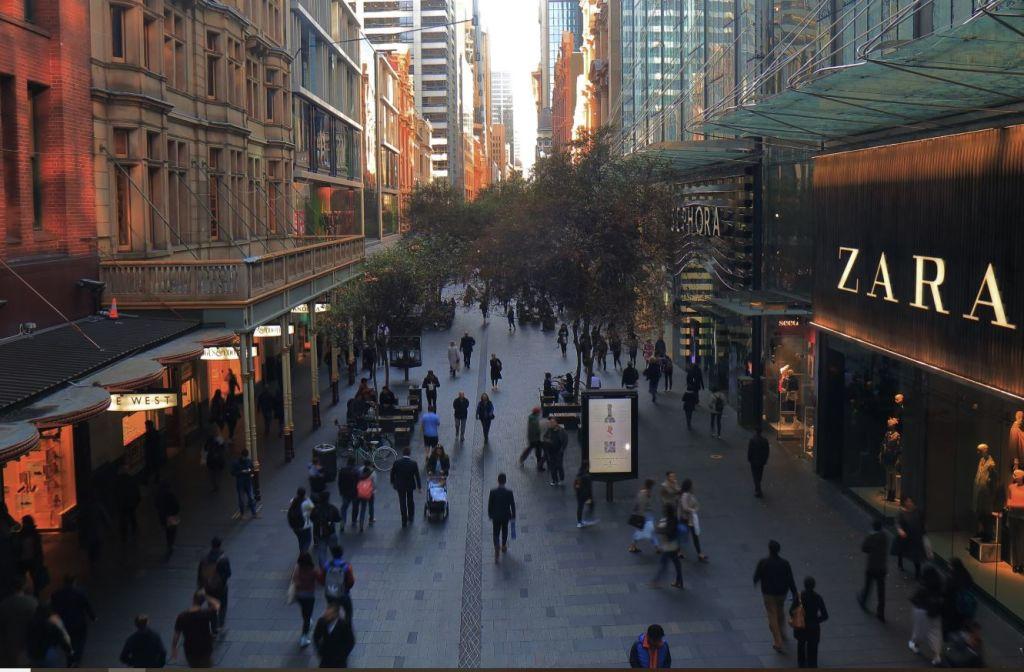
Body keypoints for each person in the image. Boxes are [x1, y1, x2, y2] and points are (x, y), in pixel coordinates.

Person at [753, 539, 799, 653]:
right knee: (780, 611)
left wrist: (757, 581)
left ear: (769, 549)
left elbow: (756, 576)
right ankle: (782, 631)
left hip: (768, 594)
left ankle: (778, 641)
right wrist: (794, 592)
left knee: (772, 615)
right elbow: (790, 579)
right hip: (782, 593)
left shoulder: (763, 562)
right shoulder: (785, 563)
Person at [50, 575, 96, 666]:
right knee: (80, 642)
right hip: (79, 623)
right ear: (74, 582)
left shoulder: (56, 594)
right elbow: (87, 606)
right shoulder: (80, 593)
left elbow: (53, 609)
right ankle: (77, 659)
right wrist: (93, 617)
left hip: (64, 623)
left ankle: (70, 658)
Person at [171, 591, 219, 668]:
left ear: (192, 599)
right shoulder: (205, 613)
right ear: (203, 602)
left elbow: (177, 634)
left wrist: (174, 648)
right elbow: (217, 605)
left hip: (190, 648)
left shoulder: (182, 616)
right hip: (205, 647)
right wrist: (206, 596)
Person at [909, 565, 944, 666]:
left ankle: (915, 644)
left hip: (922, 611)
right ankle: (936, 655)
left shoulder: (923, 585)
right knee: (935, 633)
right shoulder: (939, 585)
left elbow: (915, 598)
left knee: (919, 630)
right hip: (935, 612)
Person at [0, 576, 38, 666]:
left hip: (8, 644)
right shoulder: (33, 603)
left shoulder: (4, 604)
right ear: (24, 586)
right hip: (26, 644)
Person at [792, 576, 828, 668]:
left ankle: (801, 663)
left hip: (801, 626)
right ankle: (812, 664)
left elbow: (791, 610)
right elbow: (825, 615)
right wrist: (816, 620)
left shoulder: (799, 597)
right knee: (813, 647)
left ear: (804, 585)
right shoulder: (818, 597)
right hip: (813, 627)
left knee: (801, 644)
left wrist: (797, 618)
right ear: (814, 585)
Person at [196, 537, 231, 630]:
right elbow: (228, 573)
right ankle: (221, 624)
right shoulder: (224, 559)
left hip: (208, 587)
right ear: (220, 545)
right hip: (221, 587)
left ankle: (214, 626)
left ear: (212, 545)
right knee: (223, 605)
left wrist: (200, 587)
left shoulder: (204, 558)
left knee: (211, 606)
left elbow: (200, 574)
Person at [858, 519, 889, 622]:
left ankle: (863, 601)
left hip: (872, 566)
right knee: (881, 590)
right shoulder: (884, 536)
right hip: (882, 566)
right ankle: (881, 612)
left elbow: (864, 548)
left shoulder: (871, 537)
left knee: (868, 586)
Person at [25, 603, 72, 667]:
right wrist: (68, 650)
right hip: (48, 654)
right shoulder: (52, 624)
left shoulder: (30, 623)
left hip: (33, 654)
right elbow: (61, 638)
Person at [892, 495, 926, 580]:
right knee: (902, 550)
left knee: (916, 554)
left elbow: (921, 521)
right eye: (907, 501)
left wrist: (923, 531)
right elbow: (897, 522)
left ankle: (918, 572)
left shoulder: (917, 511)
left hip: (915, 536)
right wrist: (900, 530)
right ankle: (900, 563)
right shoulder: (902, 512)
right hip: (905, 536)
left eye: (910, 501)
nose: (909, 503)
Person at [942, 559, 977, 639]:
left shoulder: (952, 576)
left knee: (952, 620)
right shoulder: (966, 574)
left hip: (954, 603)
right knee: (962, 620)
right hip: (964, 603)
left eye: (950, 565)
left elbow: (948, 589)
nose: (949, 566)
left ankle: (950, 636)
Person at [313, 602, 355, 668]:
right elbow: (316, 637)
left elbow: (350, 641)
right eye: (326, 613)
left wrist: (343, 655)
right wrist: (319, 650)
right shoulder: (321, 622)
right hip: (326, 657)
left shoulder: (344, 625)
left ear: (335, 614)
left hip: (339, 659)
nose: (326, 615)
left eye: (329, 614)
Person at [487, 473, 516, 563]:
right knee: (505, 530)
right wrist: (513, 515)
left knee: (495, 532)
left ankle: (496, 545)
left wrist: (490, 515)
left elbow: (490, 505)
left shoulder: (493, 492)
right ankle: (503, 545)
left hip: (496, 516)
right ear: (505, 481)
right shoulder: (509, 492)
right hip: (506, 516)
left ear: (498, 481)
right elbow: (512, 505)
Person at [652, 504, 683, 589]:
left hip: (668, 546)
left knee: (663, 564)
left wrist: (661, 529)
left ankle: (656, 581)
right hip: (675, 545)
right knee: (677, 564)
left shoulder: (667, 520)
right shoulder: (675, 519)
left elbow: (662, 530)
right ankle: (679, 581)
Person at [319, 545, 355, 619]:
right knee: (348, 612)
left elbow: (321, 579)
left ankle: (334, 626)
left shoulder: (327, 565)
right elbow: (351, 582)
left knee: (333, 613)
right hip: (343, 594)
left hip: (330, 594)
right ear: (342, 553)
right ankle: (347, 626)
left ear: (332, 554)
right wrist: (346, 588)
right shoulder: (346, 566)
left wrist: (328, 585)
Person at [291, 551, 318, 647]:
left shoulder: (297, 568)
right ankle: (304, 636)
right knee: (307, 616)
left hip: (299, 595)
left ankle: (307, 621)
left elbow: (294, 579)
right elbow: (319, 579)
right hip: (309, 596)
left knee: (304, 611)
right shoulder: (313, 570)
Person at [390, 447, 422, 527]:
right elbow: (417, 476)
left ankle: (404, 519)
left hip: (400, 485)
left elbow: (392, 473)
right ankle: (411, 516)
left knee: (402, 502)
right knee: (410, 500)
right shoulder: (413, 463)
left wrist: (393, 481)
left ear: (403, 453)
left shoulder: (397, 462)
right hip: (410, 485)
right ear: (409, 453)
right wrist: (419, 487)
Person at [628, 479, 661, 554]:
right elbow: (641, 506)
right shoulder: (644, 493)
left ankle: (632, 546)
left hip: (646, 515)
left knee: (641, 531)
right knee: (651, 530)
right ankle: (657, 548)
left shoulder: (644, 492)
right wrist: (641, 517)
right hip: (645, 516)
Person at [18, 515, 48, 596]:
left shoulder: (22, 534)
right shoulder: (33, 534)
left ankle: (28, 596)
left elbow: (38, 550)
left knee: (32, 579)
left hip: (27, 560)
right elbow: (39, 550)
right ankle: (32, 596)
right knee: (33, 579)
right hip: (28, 560)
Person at [679, 479, 708, 562]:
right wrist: (693, 510)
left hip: (690, 519)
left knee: (695, 535)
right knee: (683, 536)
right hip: (685, 519)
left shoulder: (690, 494)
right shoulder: (685, 495)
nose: (693, 486)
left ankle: (700, 554)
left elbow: (696, 504)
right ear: (689, 486)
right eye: (692, 485)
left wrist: (695, 508)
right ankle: (678, 551)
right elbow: (684, 507)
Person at [311, 492, 341, 564]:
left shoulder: (316, 509)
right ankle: (336, 563)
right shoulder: (332, 508)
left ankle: (323, 567)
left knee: (322, 551)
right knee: (334, 550)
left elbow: (312, 518)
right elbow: (338, 519)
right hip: (331, 532)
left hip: (320, 533)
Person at [113, 464, 141, 542]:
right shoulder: (131, 479)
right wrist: (137, 500)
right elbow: (136, 490)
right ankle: (134, 530)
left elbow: (115, 493)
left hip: (122, 504)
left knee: (123, 519)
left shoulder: (117, 482)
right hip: (131, 503)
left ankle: (124, 535)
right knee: (132, 516)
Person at [154, 482, 181, 560]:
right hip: (171, 516)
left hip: (163, 516)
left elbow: (156, 504)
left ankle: (169, 544)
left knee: (167, 531)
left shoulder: (158, 495)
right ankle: (170, 545)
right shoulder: (171, 495)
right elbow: (176, 505)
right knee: (172, 531)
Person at [231, 448, 259, 518]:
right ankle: (242, 514)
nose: (245, 458)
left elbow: (252, 469)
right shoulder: (236, 462)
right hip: (241, 482)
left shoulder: (248, 461)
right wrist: (241, 472)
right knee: (241, 499)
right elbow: (232, 472)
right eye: (244, 457)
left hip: (247, 482)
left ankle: (254, 513)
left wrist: (249, 470)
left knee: (251, 497)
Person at [288, 488, 315, 553]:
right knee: (307, 540)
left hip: (294, 526)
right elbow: (313, 507)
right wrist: (307, 498)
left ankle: (302, 552)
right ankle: (304, 553)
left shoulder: (293, 500)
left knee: (301, 540)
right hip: (305, 525)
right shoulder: (306, 502)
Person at [336, 457, 359, 532]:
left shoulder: (342, 471)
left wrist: (341, 491)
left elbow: (339, 482)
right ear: (354, 463)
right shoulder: (356, 471)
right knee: (355, 507)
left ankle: (343, 522)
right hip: (354, 493)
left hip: (345, 493)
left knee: (344, 508)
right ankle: (354, 520)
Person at [543, 417, 568, 486]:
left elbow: (565, 441)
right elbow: (544, 437)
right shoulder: (549, 430)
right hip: (551, 452)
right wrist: (547, 441)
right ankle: (554, 480)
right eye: (550, 422)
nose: (550, 423)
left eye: (552, 422)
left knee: (559, 466)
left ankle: (561, 479)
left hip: (558, 452)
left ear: (556, 423)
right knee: (552, 467)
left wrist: (562, 450)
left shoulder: (562, 431)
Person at [747, 427, 770, 498]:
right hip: (761, 461)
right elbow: (767, 451)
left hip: (754, 461)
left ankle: (758, 489)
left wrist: (749, 458)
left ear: (755, 431)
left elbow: (750, 451)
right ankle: (758, 488)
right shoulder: (765, 440)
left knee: (755, 475)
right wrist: (765, 459)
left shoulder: (752, 440)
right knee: (759, 475)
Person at [355, 462, 376, 532]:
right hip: (370, 492)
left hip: (361, 491)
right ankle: (371, 519)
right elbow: (374, 483)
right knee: (371, 505)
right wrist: (373, 490)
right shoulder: (372, 472)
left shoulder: (360, 470)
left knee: (363, 508)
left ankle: (361, 524)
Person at [574, 462, 595, 528]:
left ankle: (579, 521)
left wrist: (577, 491)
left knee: (580, 506)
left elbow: (576, 485)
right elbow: (589, 488)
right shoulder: (587, 476)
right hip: (585, 494)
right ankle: (586, 519)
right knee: (590, 506)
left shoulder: (579, 475)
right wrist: (590, 496)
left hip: (579, 494)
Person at [143, 420, 164, 484]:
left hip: (151, 452)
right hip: (154, 452)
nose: (146, 427)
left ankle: (149, 479)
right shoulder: (155, 432)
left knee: (150, 466)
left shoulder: (148, 434)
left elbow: (147, 443)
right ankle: (155, 478)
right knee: (154, 466)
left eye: (146, 426)